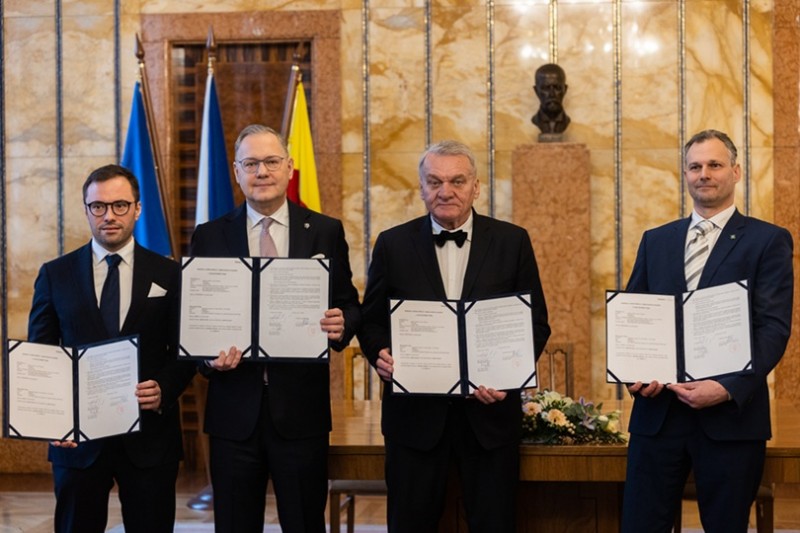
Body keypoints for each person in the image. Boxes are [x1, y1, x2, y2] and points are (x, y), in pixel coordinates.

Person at [358, 140, 551, 532]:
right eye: (435, 181)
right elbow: (371, 321)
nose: (445, 191)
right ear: (422, 188)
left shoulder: (512, 241)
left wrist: (507, 376)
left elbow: (536, 324)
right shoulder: (393, 244)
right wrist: (380, 353)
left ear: (476, 187)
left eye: (457, 181)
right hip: (414, 421)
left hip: (489, 420)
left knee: (494, 525)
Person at [190, 124, 361, 533]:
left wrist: (341, 324)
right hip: (233, 415)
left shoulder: (325, 231)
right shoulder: (209, 236)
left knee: (304, 523)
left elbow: (350, 304)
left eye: (271, 161)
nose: (262, 171)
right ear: (236, 171)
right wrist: (208, 359)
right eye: (251, 163)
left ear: (289, 167)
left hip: (301, 414)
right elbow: (195, 317)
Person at [621, 129, 794, 533]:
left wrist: (727, 387)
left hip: (729, 418)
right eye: (695, 166)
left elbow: (773, 327)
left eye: (714, 165)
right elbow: (635, 317)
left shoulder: (767, 240)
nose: (704, 174)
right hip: (658, 415)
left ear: (735, 172)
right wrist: (634, 372)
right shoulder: (656, 241)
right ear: (685, 174)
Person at [27, 164, 196, 533]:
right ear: (86, 210)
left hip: (150, 438)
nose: (109, 216)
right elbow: (42, 355)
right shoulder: (55, 274)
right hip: (77, 442)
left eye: (120, 205)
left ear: (137, 209)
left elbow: (186, 350)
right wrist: (53, 420)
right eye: (98, 206)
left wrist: (165, 388)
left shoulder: (170, 274)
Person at [531, 63, 570, 136]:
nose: (552, 94)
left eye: (557, 88)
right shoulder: (533, 123)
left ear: (565, 89)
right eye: (546, 88)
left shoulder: (569, 123)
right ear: (536, 91)